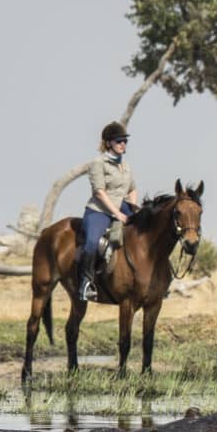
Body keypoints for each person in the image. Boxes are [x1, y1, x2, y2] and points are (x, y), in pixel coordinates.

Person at [77, 121, 139, 302]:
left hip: (123, 207)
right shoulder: (98, 163)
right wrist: (117, 214)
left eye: (125, 141)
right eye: (119, 141)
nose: (123, 144)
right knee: (91, 242)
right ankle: (86, 284)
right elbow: (99, 192)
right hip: (99, 210)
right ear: (109, 143)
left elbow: (133, 188)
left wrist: (133, 206)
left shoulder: (126, 165)